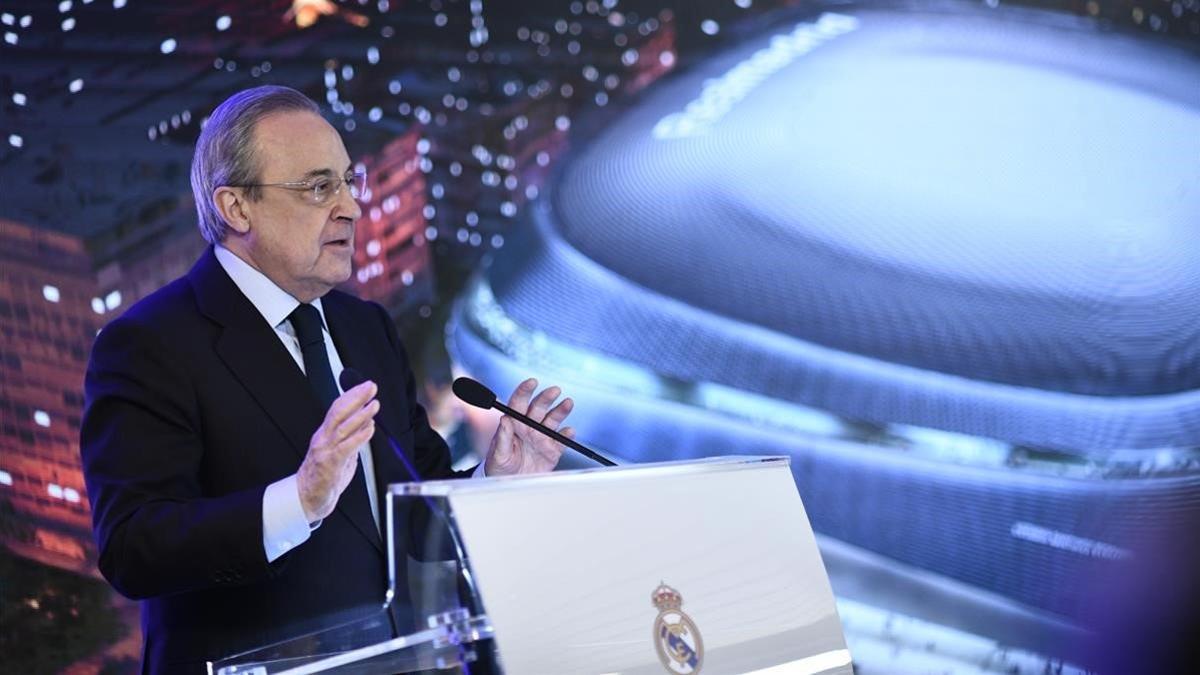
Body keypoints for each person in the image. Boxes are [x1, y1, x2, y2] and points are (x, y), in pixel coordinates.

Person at [79, 85, 575, 673]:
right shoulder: (149, 345)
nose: (351, 208)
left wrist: (495, 481)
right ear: (237, 208)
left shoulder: (365, 327)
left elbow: (411, 513)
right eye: (319, 188)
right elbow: (134, 548)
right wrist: (299, 500)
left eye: (347, 182)